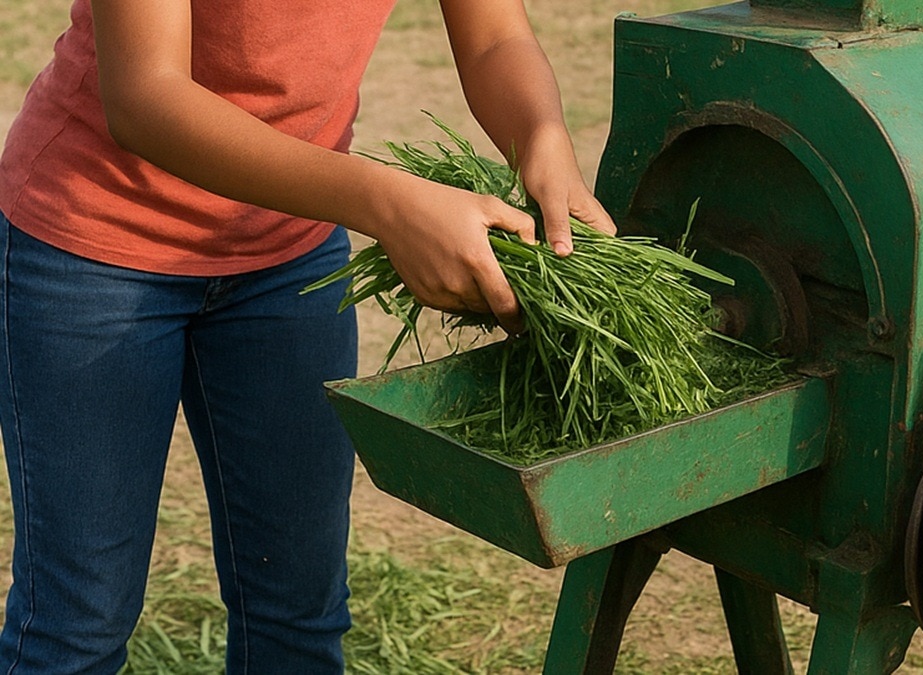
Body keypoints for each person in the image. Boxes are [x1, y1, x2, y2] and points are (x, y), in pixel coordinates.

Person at [0, 0, 616, 671]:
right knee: (79, 624)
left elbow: (496, 34)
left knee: (297, 609)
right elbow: (146, 95)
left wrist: (541, 131)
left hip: (288, 251)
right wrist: (388, 202)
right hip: (94, 248)